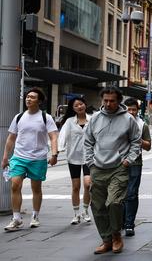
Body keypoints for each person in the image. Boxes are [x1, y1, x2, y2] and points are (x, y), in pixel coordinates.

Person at [84, 87, 141, 254]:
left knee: (114, 203)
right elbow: (88, 142)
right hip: (98, 168)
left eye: (112, 101)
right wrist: (90, 163)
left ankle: (116, 235)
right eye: (105, 100)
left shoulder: (128, 119)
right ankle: (106, 239)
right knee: (98, 206)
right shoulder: (95, 119)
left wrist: (128, 160)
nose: (108, 104)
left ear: (118, 101)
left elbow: (136, 141)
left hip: (119, 168)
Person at [2, 88, 59, 231]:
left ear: (39, 101)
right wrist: (5, 157)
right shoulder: (19, 117)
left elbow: (53, 137)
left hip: (38, 158)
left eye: (32, 97)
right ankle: (16, 219)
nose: (28, 99)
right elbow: (11, 138)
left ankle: (35, 216)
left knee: (36, 188)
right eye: (27, 97)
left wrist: (54, 154)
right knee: (15, 185)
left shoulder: (46, 117)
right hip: (19, 157)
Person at [58, 96, 93, 224]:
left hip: (89, 157)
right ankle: (76, 213)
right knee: (75, 187)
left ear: (85, 104)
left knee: (88, 184)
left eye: (81, 104)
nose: (79, 107)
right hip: (74, 157)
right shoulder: (69, 122)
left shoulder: (93, 119)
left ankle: (85, 210)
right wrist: (59, 149)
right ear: (73, 108)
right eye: (76, 105)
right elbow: (62, 136)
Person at [123, 98, 152, 237]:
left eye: (134, 109)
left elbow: (148, 146)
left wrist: (137, 139)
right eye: (129, 109)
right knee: (118, 194)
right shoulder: (117, 123)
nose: (131, 112)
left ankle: (129, 223)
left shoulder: (142, 125)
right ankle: (120, 221)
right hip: (118, 162)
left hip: (135, 162)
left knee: (132, 193)